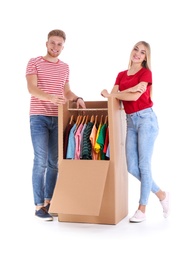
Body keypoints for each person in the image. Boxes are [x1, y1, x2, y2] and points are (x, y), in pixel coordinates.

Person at [101, 41, 170, 223]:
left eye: (142, 52)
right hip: (130, 121)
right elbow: (114, 98)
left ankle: (142, 209)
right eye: (136, 50)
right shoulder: (121, 74)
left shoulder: (146, 73)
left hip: (146, 120)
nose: (138, 54)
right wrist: (126, 90)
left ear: (146, 57)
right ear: (131, 51)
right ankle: (162, 194)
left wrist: (119, 93)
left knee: (144, 165)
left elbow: (130, 96)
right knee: (132, 166)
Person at [26, 29, 86, 221]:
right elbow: (31, 88)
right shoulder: (34, 62)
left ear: (63, 46)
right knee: (41, 161)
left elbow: (66, 91)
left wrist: (77, 98)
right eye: (52, 43)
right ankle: (38, 206)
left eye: (59, 44)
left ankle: (49, 202)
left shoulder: (65, 67)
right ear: (46, 43)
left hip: (58, 117)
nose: (55, 47)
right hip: (39, 117)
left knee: (54, 163)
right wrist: (50, 97)